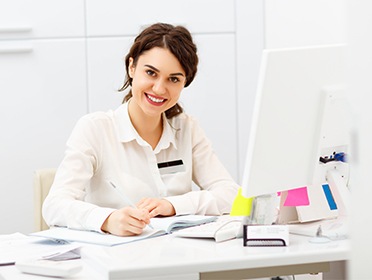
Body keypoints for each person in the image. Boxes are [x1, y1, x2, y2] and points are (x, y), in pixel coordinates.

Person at [42, 22, 239, 237]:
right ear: (132, 67)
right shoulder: (95, 129)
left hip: (177, 256)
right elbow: (54, 205)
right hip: (115, 260)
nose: (159, 89)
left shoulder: (187, 128)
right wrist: (107, 220)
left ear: (185, 83)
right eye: (151, 73)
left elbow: (232, 195)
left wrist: (172, 205)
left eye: (173, 79)